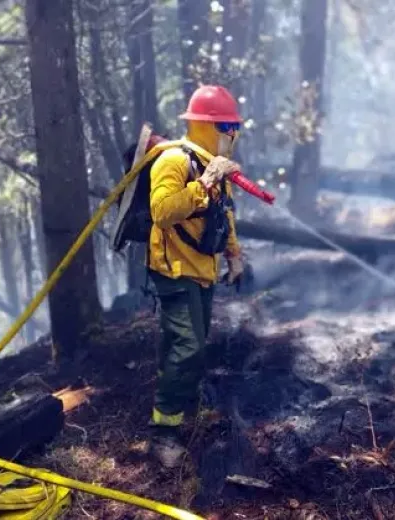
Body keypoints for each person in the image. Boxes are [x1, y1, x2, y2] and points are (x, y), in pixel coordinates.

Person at [146, 84, 246, 468]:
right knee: (188, 346)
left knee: (189, 342)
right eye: (226, 124)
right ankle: (163, 432)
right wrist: (204, 182)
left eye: (235, 125)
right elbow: (163, 212)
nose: (232, 133)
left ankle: (182, 408)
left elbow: (224, 216)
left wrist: (234, 255)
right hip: (172, 269)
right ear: (206, 126)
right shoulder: (172, 161)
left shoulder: (212, 165)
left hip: (202, 269)